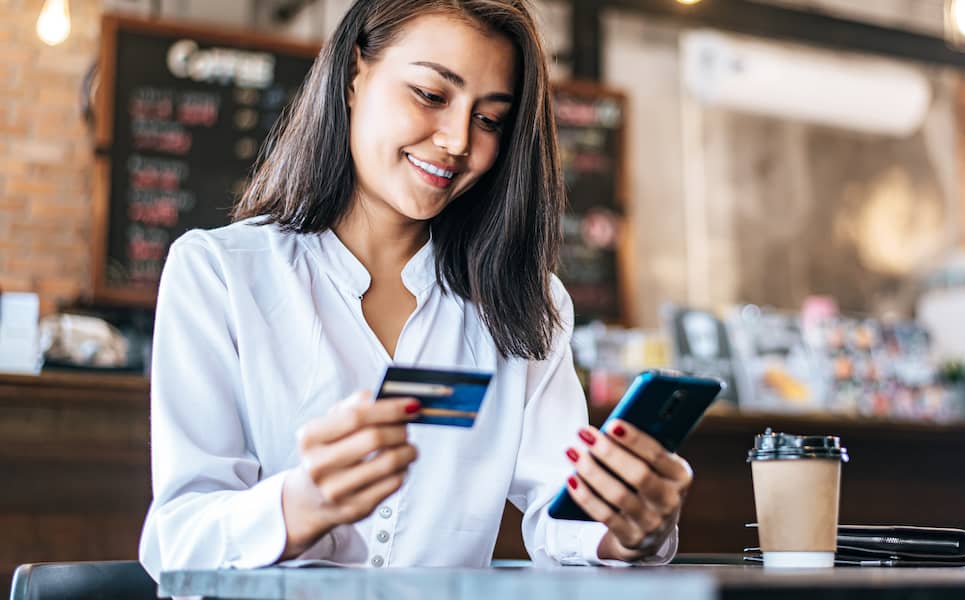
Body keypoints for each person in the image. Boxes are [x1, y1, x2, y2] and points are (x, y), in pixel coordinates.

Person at [139, 0, 693, 578]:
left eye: (490, 120)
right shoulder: (220, 274)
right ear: (356, 74)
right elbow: (178, 538)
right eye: (431, 95)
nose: (457, 141)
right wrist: (299, 506)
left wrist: (626, 529)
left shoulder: (527, 303)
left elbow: (561, 513)